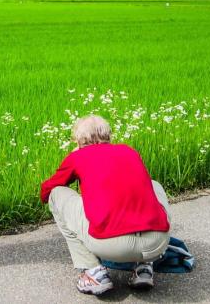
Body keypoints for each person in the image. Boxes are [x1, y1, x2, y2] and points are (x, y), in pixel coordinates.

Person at [40, 115, 171, 295]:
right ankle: (144, 268)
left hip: (111, 245)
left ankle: (93, 272)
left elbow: (47, 190)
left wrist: (76, 159)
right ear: (108, 136)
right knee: (154, 185)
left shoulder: (78, 156)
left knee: (56, 194)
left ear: (79, 140)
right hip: (156, 243)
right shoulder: (128, 151)